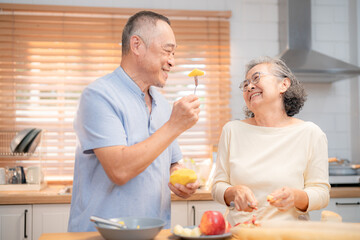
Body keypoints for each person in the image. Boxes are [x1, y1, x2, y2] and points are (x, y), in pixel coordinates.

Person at [68, 11, 200, 232]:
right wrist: (174, 125)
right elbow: (119, 170)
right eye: (167, 51)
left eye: (174, 53)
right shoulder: (98, 96)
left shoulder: (163, 104)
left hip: (155, 233)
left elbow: (171, 163)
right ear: (137, 45)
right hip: (103, 235)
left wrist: (180, 178)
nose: (172, 62)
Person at [211, 56, 330, 225]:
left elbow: (322, 193)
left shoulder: (311, 133)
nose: (250, 86)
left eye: (257, 78)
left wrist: (296, 197)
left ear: (284, 84)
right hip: (240, 232)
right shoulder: (232, 130)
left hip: (289, 234)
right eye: (245, 85)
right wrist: (234, 192)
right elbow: (217, 186)